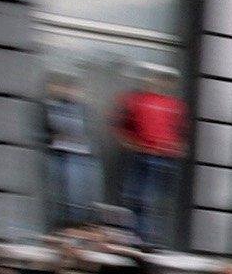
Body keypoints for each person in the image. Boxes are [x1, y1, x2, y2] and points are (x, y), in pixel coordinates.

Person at [112, 64, 187, 243]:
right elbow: (121, 126)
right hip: (143, 155)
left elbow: (181, 132)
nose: (157, 82)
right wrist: (131, 144)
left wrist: (175, 147)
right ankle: (138, 237)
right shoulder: (135, 100)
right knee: (136, 197)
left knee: (154, 200)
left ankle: (150, 237)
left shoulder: (175, 105)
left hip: (164, 158)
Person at [42, 73, 101, 226]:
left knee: (76, 195)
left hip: (79, 155)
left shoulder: (84, 109)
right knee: (58, 194)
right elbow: (48, 130)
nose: (70, 92)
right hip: (59, 152)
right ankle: (60, 227)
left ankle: (75, 226)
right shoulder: (52, 106)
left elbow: (89, 133)